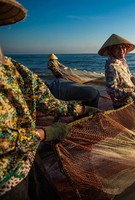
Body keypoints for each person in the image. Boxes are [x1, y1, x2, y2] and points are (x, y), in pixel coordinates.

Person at [0, 1, 99, 199]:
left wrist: (80, 110)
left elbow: (44, 99)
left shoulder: (14, 69)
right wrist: (44, 133)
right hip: (5, 180)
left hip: (27, 158)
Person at [98, 33, 135, 109]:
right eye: (117, 48)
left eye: (123, 47)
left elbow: (129, 77)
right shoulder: (111, 67)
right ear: (111, 50)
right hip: (121, 104)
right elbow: (111, 90)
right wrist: (131, 93)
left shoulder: (123, 61)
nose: (121, 50)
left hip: (130, 100)